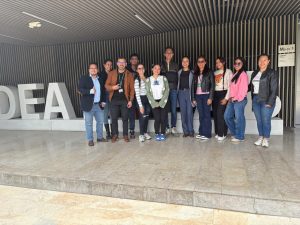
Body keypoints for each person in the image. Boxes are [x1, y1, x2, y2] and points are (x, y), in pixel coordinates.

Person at [249, 54, 278, 147]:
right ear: (258, 62)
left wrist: (270, 102)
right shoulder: (255, 73)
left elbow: (274, 89)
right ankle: (261, 137)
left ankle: (266, 138)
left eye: (264, 60)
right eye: (260, 60)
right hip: (256, 99)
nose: (262, 62)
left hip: (266, 99)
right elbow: (251, 87)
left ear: (268, 61)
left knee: (265, 120)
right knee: (259, 120)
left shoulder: (272, 72)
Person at [105, 57, 134, 143]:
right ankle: (115, 135)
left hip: (125, 100)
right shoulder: (111, 73)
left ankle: (125, 135)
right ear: (117, 64)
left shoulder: (129, 74)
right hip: (113, 100)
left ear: (125, 64)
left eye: (123, 62)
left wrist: (130, 100)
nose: (121, 64)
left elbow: (132, 89)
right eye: (119, 62)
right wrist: (112, 87)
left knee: (125, 118)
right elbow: (106, 86)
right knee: (114, 118)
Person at [78, 63, 107, 146]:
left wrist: (104, 101)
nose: (93, 69)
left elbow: (103, 91)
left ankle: (100, 137)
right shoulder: (84, 78)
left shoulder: (100, 79)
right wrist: (90, 91)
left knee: (100, 122)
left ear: (97, 70)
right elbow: (80, 89)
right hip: (88, 105)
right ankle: (90, 140)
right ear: (89, 70)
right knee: (89, 123)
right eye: (91, 68)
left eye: (95, 68)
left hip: (98, 105)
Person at [224, 57, 249, 142]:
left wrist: (235, 99)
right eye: (235, 63)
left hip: (240, 100)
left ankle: (240, 136)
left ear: (243, 64)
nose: (236, 65)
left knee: (239, 118)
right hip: (232, 99)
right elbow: (231, 89)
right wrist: (230, 98)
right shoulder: (235, 74)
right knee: (227, 116)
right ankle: (236, 133)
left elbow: (243, 90)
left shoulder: (243, 75)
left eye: (239, 63)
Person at [145, 64, 169, 141]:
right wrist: (154, 103)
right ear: (152, 69)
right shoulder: (149, 79)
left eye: (159, 69)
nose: (157, 70)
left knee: (163, 118)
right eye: (155, 68)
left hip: (163, 101)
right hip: (154, 101)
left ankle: (162, 133)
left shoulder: (163, 78)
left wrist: (161, 102)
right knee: (157, 118)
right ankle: (156, 133)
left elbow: (167, 90)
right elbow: (147, 92)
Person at [193, 56, 215, 140]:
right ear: (197, 63)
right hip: (198, 96)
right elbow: (193, 86)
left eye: (202, 61)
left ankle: (207, 134)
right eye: (199, 61)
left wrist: (210, 97)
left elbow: (212, 85)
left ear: (205, 62)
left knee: (206, 115)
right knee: (201, 115)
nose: (200, 63)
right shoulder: (196, 72)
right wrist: (193, 98)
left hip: (206, 95)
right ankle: (201, 132)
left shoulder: (209, 72)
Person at [213, 57, 233, 141]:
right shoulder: (215, 72)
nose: (218, 64)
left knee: (220, 113)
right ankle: (218, 132)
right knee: (215, 114)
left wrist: (226, 98)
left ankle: (223, 133)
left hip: (223, 93)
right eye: (216, 63)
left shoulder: (228, 72)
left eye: (219, 62)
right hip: (215, 94)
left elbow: (230, 86)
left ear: (223, 62)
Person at [160, 46, 179, 135]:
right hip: (164, 91)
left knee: (173, 109)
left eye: (170, 53)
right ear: (164, 54)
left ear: (172, 55)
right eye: (167, 52)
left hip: (173, 90)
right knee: (165, 109)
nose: (168, 54)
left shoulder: (176, 65)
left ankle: (173, 127)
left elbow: (178, 78)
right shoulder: (160, 65)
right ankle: (167, 127)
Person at [177, 56, 195, 137]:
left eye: (186, 61)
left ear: (189, 62)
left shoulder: (192, 73)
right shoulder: (179, 72)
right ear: (181, 63)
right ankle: (185, 131)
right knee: (183, 113)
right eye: (183, 61)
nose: (185, 63)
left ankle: (191, 131)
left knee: (189, 113)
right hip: (181, 93)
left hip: (189, 93)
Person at [135, 63, 152, 142]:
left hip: (147, 99)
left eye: (142, 68)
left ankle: (145, 132)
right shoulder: (136, 80)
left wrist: (144, 79)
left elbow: (150, 88)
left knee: (146, 116)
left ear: (144, 70)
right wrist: (140, 106)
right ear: (137, 70)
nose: (140, 70)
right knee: (142, 117)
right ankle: (141, 134)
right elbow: (137, 94)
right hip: (140, 99)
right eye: (139, 68)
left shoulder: (148, 79)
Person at [99, 59, 113, 139]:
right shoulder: (100, 74)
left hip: (111, 95)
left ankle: (113, 132)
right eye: (108, 64)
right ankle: (108, 133)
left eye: (111, 65)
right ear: (104, 65)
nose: (109, 66)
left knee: (112, 114)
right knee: (105, 114)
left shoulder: (113, 73)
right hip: (104, 96)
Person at [127, 53, 139, 139]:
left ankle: (143, 131)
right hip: (130, 94)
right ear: (130, 61)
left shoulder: (140, 69)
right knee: (131, 113)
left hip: (139, 93)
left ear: (138, 61)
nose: (134, 60)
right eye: (133, 59)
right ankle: (131, 130)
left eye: (136, 59)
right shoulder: (126, 70)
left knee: (142, 111)